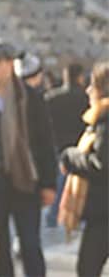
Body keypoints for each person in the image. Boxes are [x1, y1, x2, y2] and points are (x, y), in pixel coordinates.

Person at [0, 38, 57, 277]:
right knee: (0, 247)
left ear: (10, 63)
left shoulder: (30, 97)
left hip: (25, 180)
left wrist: (48, 183)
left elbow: (45, 141)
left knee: (29, 244)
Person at [58, 61, 108, 277]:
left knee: (87, 269)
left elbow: (100, 164)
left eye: (92, 86)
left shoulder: (105, 120)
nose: (88, 90)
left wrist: (70, 157)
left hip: (104, 212)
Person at [47, 63, 89, 229]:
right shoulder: (85, 98)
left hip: (58, 146)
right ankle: (77, 218)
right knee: (78, 186)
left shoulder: (51, 98)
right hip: (79, 147)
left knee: (59, 184)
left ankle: (53, 218)